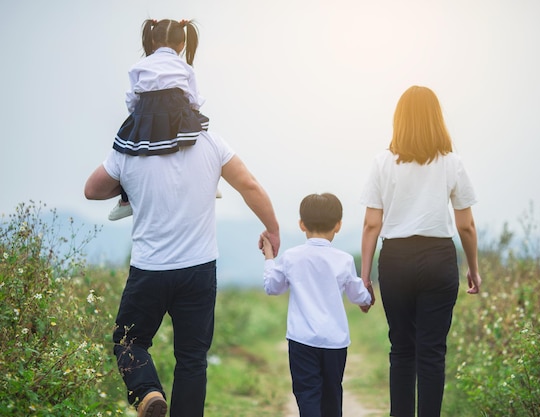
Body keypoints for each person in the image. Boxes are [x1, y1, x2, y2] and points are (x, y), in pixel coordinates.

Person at [84, 109, 280, 415]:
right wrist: (273, 228)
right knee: (192, 358)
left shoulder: (131, 148)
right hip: (198, 269)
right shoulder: (211, 143)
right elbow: (249, 185)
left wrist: (128, 185)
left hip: (150, 269)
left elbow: (92, 190)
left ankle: (148, 391)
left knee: (128, 341)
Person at [359, 85, 482, 417]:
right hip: (439, 258)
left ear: (399, 120)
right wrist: (473, 267)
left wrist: (365, 277)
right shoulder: (451, 163)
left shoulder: (382, 162)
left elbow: (372, 224)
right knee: (432, 353)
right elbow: (466, 226)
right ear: (436, 119)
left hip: (395, 260)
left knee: (401, 349)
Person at [261, 193, 372, 417]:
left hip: (302, 340)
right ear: (338, 225)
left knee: (307, 395)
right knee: (332, 395)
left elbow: (273, 287)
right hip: (335, 341)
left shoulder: (292, 257)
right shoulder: (344, 259)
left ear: (302, 224)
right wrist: (367, 299)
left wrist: (269, 257)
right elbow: (357, 294)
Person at [108, 18, 218, 221]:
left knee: (126, 149)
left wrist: (141, 117)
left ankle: (125, 199)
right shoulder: (186, 68)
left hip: (146, 122)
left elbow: (131, 99)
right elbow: (194, 101)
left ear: (150, 42)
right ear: (182, 44)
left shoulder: (138, 66)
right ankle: (209, 181)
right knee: (201, 133)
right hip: (177, 123)